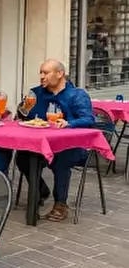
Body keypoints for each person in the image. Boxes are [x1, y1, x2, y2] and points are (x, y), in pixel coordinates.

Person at [16, 59, 94, 222]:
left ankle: (61, 203)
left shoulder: (77, 95)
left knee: (61, 157)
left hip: (73, 146)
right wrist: (22, 109)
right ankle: (40, 190)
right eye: (41, 73)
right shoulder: (36, 93)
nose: (41, 77)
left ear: (60, 74)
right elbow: (25, 117)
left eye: (46, 73)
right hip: (42, 144)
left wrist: (70, 123)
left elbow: (88, 119)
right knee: (23, 157)